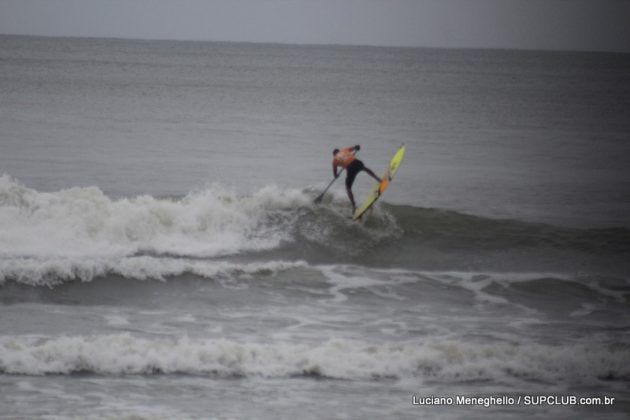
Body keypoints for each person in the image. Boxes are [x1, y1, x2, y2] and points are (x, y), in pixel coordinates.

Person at [332, 145, 381, 214]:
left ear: (334, 155)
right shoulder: (344, 150)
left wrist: (336, 175)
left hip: (351, 168)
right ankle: (378, 179)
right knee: (365, 169)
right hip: (357, 162)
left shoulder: (334, 160)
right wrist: (357, 148)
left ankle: (354, 206)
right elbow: (356, 147)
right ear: (339, 151)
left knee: (348, 188)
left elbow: (335, 172)